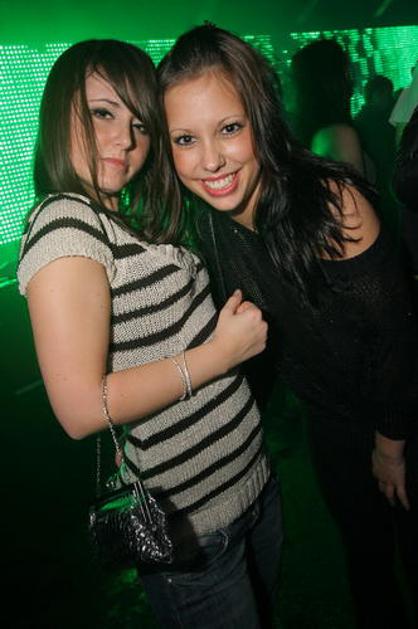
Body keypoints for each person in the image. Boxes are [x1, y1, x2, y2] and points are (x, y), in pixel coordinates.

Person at [158, 24, 418, 629]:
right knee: (366, 562)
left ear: (262, 117)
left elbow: (398, 339)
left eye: (229, 128)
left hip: (402, 411)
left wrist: (391, 446)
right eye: (186, 139)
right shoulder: (208, 220)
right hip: (331, 421)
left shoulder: (328, 202)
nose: (211, 160)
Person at [17, 39, 283, 629]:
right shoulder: (65, 225)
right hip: (193, 528)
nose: (125, 140)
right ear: (58, 110)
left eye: (140, 124)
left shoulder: (115, 213)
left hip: (245, 482)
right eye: (102, 113)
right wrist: (221, 354)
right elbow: (80, 409)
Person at [290, 37, 376, 184]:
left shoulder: (312, 131)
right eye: (347, 70)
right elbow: (359, 195)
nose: (352, 78)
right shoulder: (340, 135)